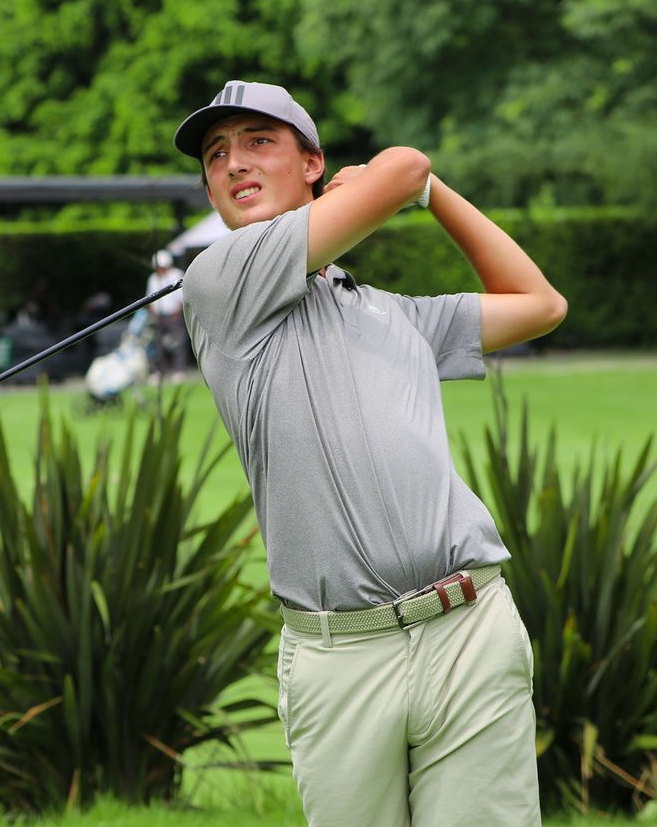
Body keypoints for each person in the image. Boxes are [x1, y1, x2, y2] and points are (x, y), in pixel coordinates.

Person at [174, 80, 566, 826]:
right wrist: (400, 181)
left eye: (260, 141)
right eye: (216, 155)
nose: (233, 163)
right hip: (340, 654)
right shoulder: (218, 283)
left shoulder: (392, 313)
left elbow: (539, 304)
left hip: (468, 627)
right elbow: (401, 165)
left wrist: (433, 192)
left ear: (313, 162)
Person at [145, 250, 188, 379]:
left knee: (178, 342)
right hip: (158, 316)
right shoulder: (152, 278)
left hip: (173, 315)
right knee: (157, 344)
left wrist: (177, 312)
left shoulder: (177, 275)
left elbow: (182, 297)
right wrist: (153, 313)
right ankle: (159, 371)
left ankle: (179, 370)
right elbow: (149, 298)